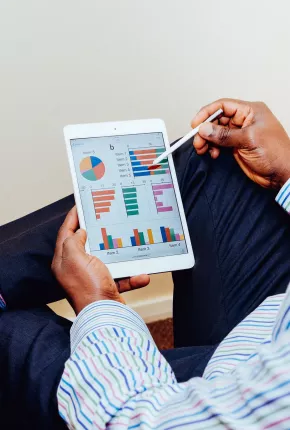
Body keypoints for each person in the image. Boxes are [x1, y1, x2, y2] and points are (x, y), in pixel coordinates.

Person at [1, 98, 290, 429]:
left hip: (227, 390)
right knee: (215, 164)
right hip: (272, 329)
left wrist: (99, 303)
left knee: (12, 331)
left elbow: (132, 421)